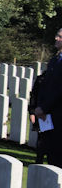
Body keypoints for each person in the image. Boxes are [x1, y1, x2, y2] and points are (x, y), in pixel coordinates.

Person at [32, 28, 61, 166]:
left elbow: (59, 90)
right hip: (47, 115)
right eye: (56, 35)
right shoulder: (55, 60)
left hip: (57, 114)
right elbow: (44, 86)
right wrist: (38, 107)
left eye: (60, 37)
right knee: (48, 150)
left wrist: (44, 107)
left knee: (57, 154)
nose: (56, 38)